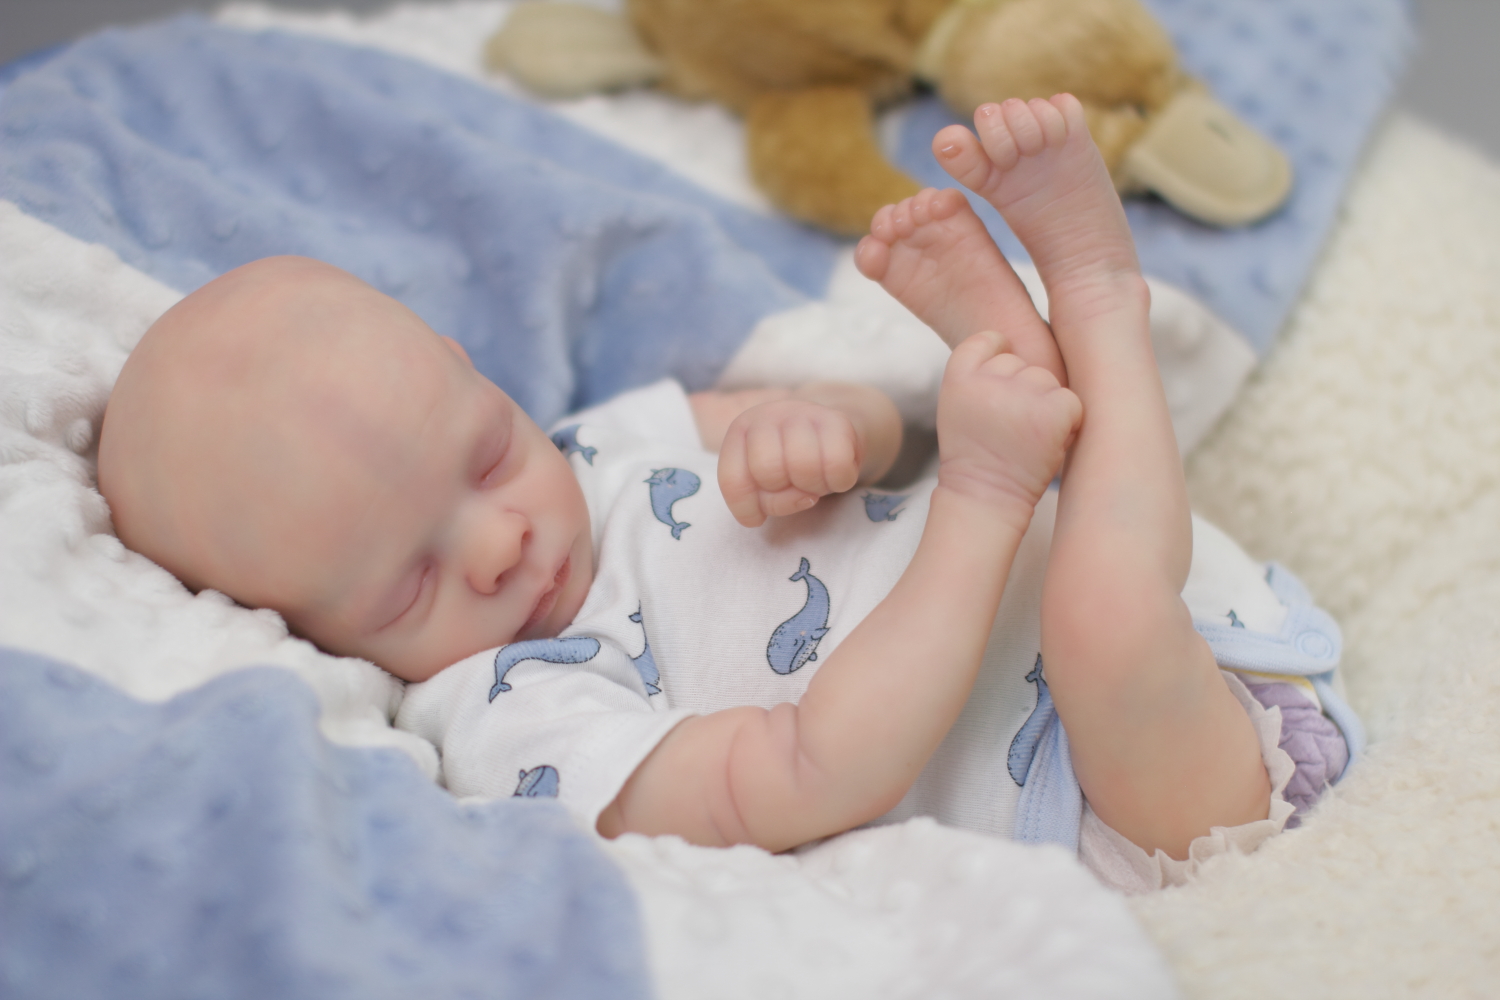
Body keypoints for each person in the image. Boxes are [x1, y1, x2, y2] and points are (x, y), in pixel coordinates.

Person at [99, 95, 1350, 891]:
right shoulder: (504, 719)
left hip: (1104, 569)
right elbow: (802, 771)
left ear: (475, 375)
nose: (498, 539)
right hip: (1123, 796)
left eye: (484, 455)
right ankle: (1094, 302)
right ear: (310, 633)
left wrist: (825, 432)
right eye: (411, 579)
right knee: (1101, 614)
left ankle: (1024, 355)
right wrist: (972, 493)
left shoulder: (597, 446)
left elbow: (859, 429)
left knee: (1068, 544)